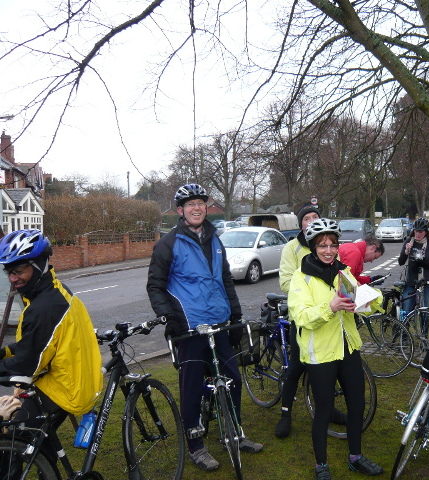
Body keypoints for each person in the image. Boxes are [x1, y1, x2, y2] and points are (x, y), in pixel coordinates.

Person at [147, 183, 263, 472]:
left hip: (220, 323)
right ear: (180, 211)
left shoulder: (215, 239)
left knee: (233, 379)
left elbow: (225, 281)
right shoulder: (168, 244)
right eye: (190, 205)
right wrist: (170, 319)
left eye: (200, 203)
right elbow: (155, 286)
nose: (197, 208)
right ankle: (197, 446)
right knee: (192, 387)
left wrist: (235, 317)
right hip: (190, 327)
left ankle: (236, 433)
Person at [288, 218, 384, 480]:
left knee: (357, 405)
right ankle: (321, 465)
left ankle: (355, 457)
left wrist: (372, 299)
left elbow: (362, 302)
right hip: (321, 354)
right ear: (313, 248)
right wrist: (330, 308)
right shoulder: (302, 277)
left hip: (348, 349)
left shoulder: (344, 273)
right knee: (324, 410)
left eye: (332, 245)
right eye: (322, 246)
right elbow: (301, 316)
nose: (328, 250)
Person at [0, 229, 102, 457]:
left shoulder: (44, 308)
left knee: (15, 449)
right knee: (36, 448)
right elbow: (39, 343)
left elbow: (26, 365)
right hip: (72, 377)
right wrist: (4, 352)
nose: (12, 278)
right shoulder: (54, 290)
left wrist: (6, 362)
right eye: (9, 271)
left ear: (39, 265)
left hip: (65, 389)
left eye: (18, 270)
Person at [274, 204, 320, 438]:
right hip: (301, 317)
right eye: (306, 218)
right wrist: (313, 285)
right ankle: (285, 413)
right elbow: (285, 282)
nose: (311, 221)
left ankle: (327, 409)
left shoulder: (328, 244)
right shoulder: (292, 248)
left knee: (325, 368)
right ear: (300, 224)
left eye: (315, 217)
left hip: (326, 316)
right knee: (297, 366)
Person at [397, 217, 429, 316]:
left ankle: (424, 331)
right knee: (406, 310)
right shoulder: (409, 242)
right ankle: (404, 330)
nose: (418, 234)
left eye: (420, 232)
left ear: (425, 232)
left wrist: (422, 263)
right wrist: (406, 252)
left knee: (425, 311)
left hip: (426, 281)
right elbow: (400, 262)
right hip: (411, 281)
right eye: (416, 231)